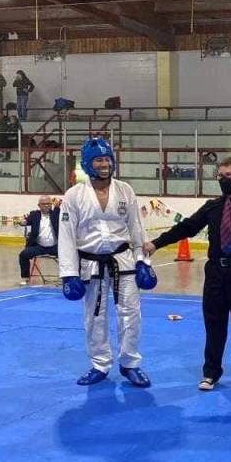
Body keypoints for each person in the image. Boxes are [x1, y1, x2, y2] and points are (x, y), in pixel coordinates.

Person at [144, 151, 231, 391]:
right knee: (214, 323)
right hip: (215, 271)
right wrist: (156, 243)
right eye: (220, 175)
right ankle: (211, 372)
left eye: (229, 175)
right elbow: (186, 227)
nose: (224, 179)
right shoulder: (212, 207)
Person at [59, 137, 157, 388]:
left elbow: (136, 228)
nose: (104, 164)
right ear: (87, 164)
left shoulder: (125, 190)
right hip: (90, 263)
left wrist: (142, 261)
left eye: (107, 159)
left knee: (131, 313)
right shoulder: (74, 195)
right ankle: (100, 364)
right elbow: (67, 236)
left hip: (123, 260)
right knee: (95, 316)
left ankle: (130, 363)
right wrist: (68, 274)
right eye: (98, 160)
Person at [20, 195, 60, 286]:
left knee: (69, 254)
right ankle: (25, 278)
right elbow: (25, 221)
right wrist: (23, 222)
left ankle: (67, 276)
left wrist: (57, 206)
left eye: (49, 203)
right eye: (44, 204)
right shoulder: (34, 214)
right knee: (23, 254)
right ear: (39, 205)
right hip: (39, 247)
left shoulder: (56, 214)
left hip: (55, 246)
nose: (47, 206)